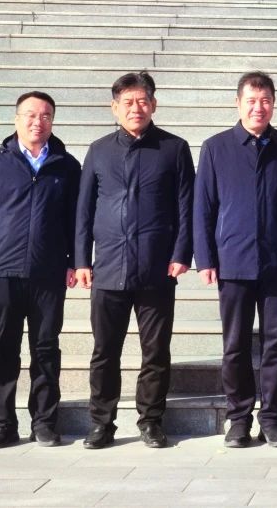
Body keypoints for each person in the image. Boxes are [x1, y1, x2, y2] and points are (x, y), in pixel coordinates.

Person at [194, 71, 277, 449]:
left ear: (273, 104)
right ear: (238, 103)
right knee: (236, 345)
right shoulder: (216, 148)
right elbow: (203, 207)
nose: (258, 108)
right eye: (251, 101)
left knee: (276, 344)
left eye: (265, 101)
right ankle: (239, 418)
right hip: (233, 261)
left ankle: (273, 418)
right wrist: (205, 258)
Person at [74, 71, 194, 450]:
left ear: (153, 104)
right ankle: (101, 423)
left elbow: (186, 207)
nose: (135, 108)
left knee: (155, 352)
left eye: (142, 101)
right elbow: (83, 210)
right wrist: (82, 260)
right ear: (115, 107)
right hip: (108, 268)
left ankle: (151, 421)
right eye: (128, 102)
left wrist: (181, 253)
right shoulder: (99, 150)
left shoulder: (174, 149)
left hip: (156, 269)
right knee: (104, 352)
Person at [0, 91, 81, 448]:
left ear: (52, 121)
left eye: (45, 115)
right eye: (30, 114)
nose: (37, 121)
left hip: (48, 273)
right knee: (4, 349)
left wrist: (75, 262)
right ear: (16, 119)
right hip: (2, 272)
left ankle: (44, 422)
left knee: (46, 349)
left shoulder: (67, 166)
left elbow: (77, 221)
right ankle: (3, 424)